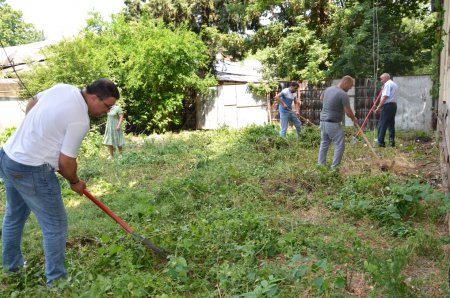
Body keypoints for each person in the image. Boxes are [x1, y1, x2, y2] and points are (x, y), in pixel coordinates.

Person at [0, 79, 119, 287]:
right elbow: (65, 163)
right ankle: (57, 281)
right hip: (31, 168)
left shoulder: (63, 88)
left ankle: (11, 267)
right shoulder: (80, 120)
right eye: (107, 106)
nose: (107, 111)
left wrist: (34, 134)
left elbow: (33, 101)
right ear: (93, 98)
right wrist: (75, 182)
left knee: (14, 215)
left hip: (8, 157)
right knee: (55, 225)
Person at [318, 75, 358, 168]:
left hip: (323, 121)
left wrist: (331, 105)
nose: (350, 87)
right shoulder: (343, 94)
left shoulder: (328, 89)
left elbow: (321, 98)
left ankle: (320, 166)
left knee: (324, 143)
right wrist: (353, 118)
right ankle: (334, 168)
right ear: (345, 82)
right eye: (350, 85)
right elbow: (348, 112)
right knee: (340, 145)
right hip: (332, 123)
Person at [375, 73, 398, 147]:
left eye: (382, 79)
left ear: (386, 78)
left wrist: (378, 107)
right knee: (391, 124)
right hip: (393, 106)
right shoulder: (394, 84)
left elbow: (385, 97)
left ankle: (380, 142)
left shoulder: (387, 85)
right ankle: (392, 142)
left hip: (387, 106)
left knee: (382, 124)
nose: (381, 81)